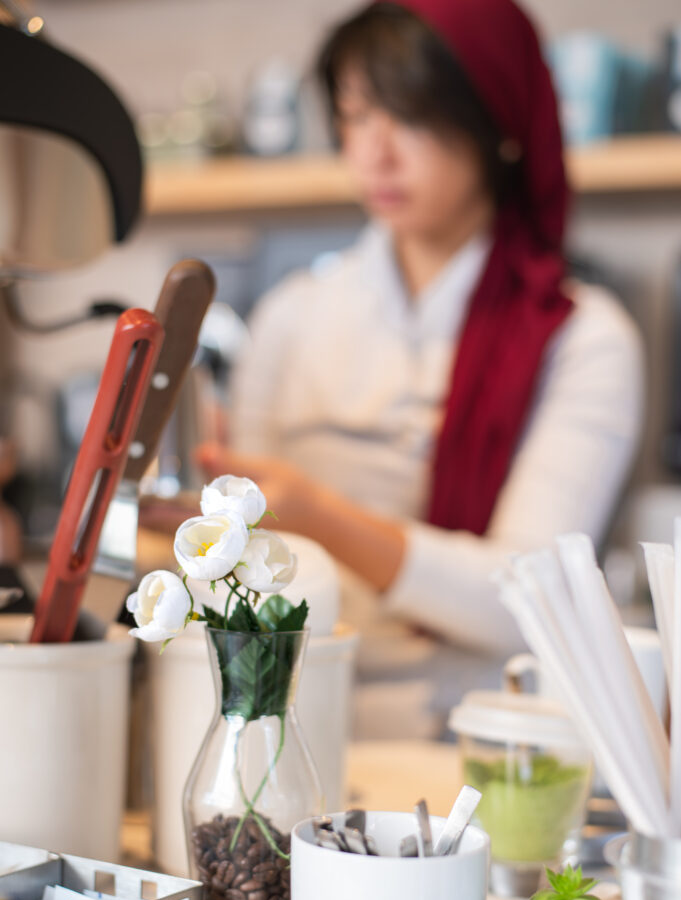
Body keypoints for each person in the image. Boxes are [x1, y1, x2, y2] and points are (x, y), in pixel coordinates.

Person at [195, 0, 643, 725]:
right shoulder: (290, 317)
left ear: (496, 122)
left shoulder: (583, 339)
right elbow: (245, 569)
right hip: (290, 714)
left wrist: (319, 514)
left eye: (409, 116)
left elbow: (525, 603)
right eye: (354, 115)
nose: (376, 152)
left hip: (480, 730)